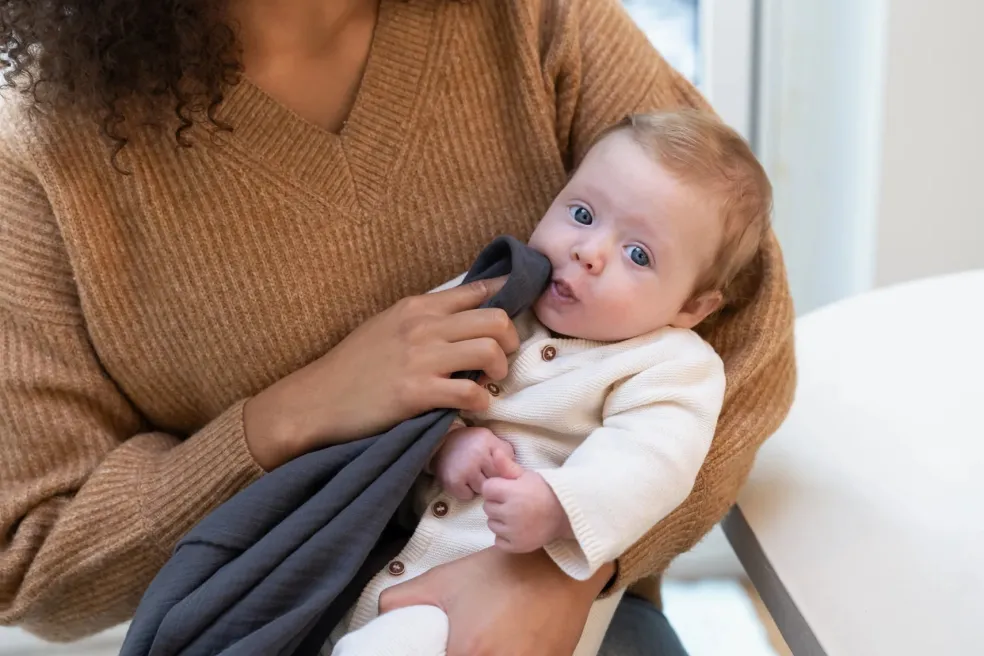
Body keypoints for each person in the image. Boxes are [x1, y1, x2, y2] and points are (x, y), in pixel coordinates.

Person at [0, 0, 795, 654]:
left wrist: (564, 565)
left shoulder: (534, 19)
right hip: (282, 622)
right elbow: (33, 555)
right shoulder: (39, 153)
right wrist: (294, 417)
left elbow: (749, 342)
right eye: (582, 217)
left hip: (576, 619)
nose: (589, 253)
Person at [330, 110, 770, 656]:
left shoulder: (669, 363)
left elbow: (654, 460)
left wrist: (561, 504)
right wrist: (444, 445)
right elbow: (404, 390)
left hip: (519, 609)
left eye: (638, 255)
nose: (589, 252)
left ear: (691, 307)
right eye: (582, 213)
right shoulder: (498, 296)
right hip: (392, 576)